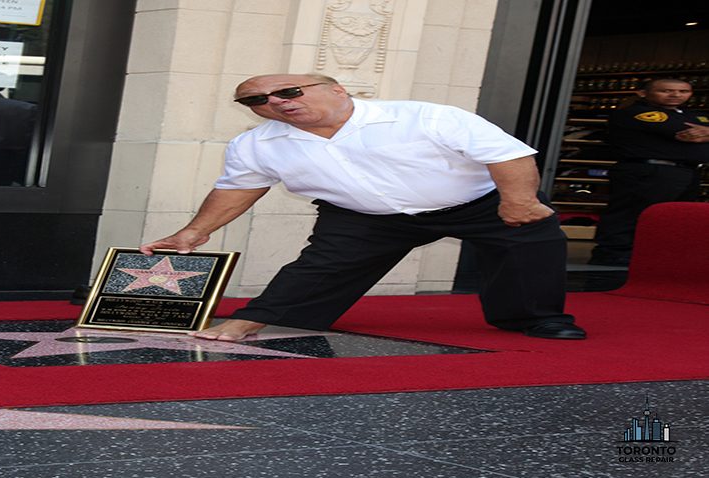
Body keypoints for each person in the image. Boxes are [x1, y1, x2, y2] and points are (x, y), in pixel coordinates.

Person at [141, 74, 587, 341]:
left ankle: (537, 319)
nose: (275, 102)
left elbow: (507, 155)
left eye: (288, 91)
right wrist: (193, 233)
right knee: (322, 266)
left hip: (477, 200)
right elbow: (237, 188)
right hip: (363, 215)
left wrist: (519, 201)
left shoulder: (425, 116)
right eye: (255, 101)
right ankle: (257, 320)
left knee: (530, 244)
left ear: (336, 89)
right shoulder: (255, 144)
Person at [589, 78, 709, 266]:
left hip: (686, 172)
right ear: (643, 93)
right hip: (649, 170)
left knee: (673, 217)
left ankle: (656, 256)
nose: (675, 95)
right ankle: (613, 255)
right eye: (666, 91)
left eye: (683, 91)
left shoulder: (693, 116)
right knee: (633, 214)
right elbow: (681, 132)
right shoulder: (634, 112)